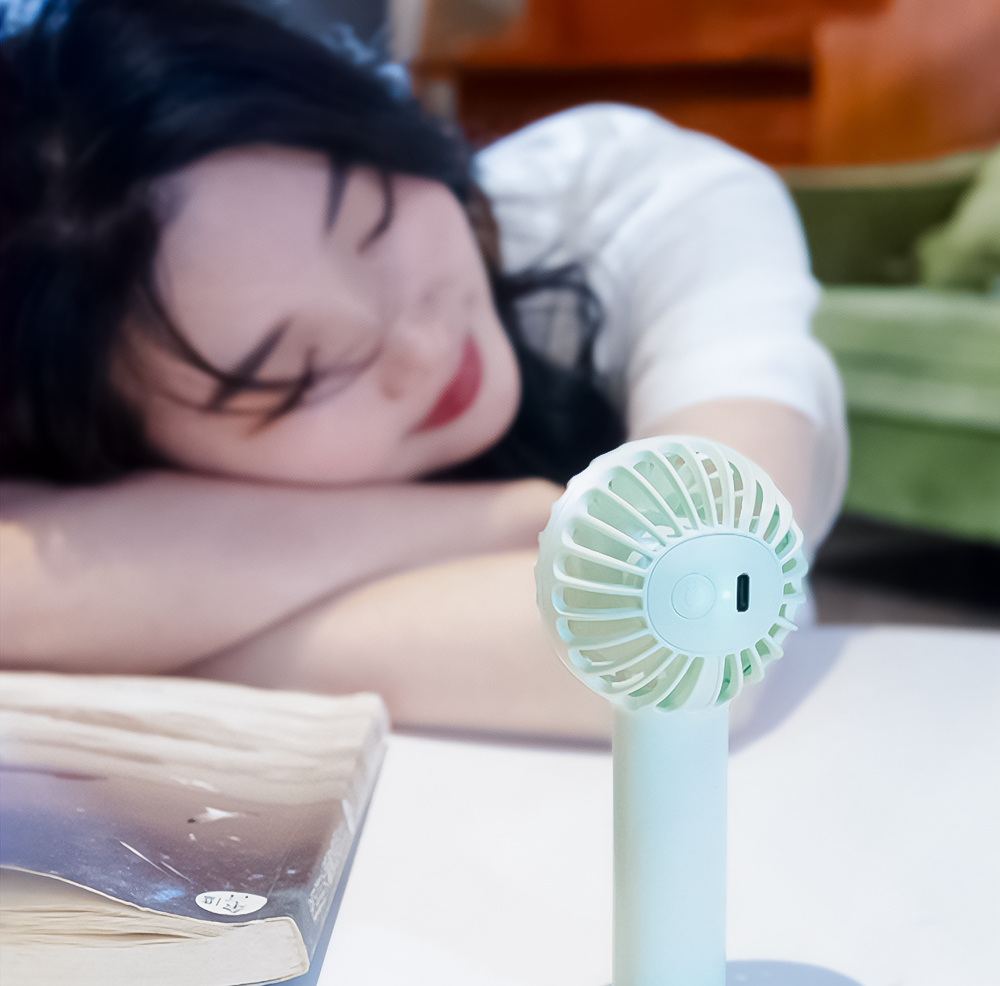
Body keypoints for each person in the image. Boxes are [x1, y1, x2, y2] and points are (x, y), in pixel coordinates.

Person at [0, 0, 846, 739]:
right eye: (306, 371)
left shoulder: (639, 201)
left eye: (373, 223)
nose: (421, 347)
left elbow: (707, 620)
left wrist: (147, 638)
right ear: (122, 452)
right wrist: (501, 520)